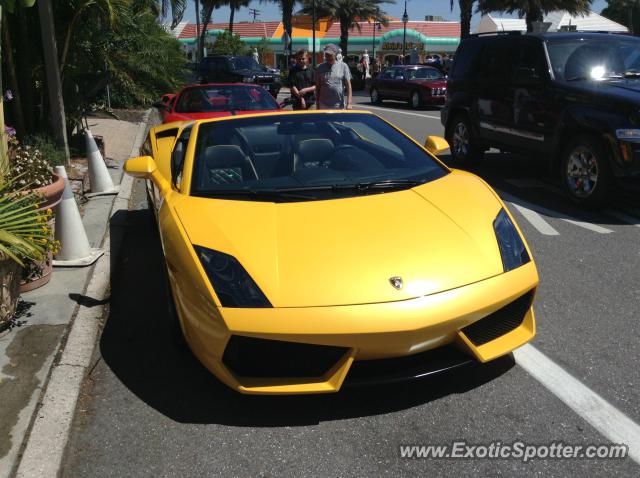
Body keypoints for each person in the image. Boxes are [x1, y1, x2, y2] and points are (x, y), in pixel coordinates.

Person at [315, 43, 352, 110]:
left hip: (339, 106)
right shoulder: (319, 68)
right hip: (323, 105)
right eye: (326, 55)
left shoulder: (343, 66)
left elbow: (348, 85)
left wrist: (349, 103)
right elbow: (318, 87)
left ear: (335, 54)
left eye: (330, 55)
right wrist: (317, 105)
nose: (328, 57)